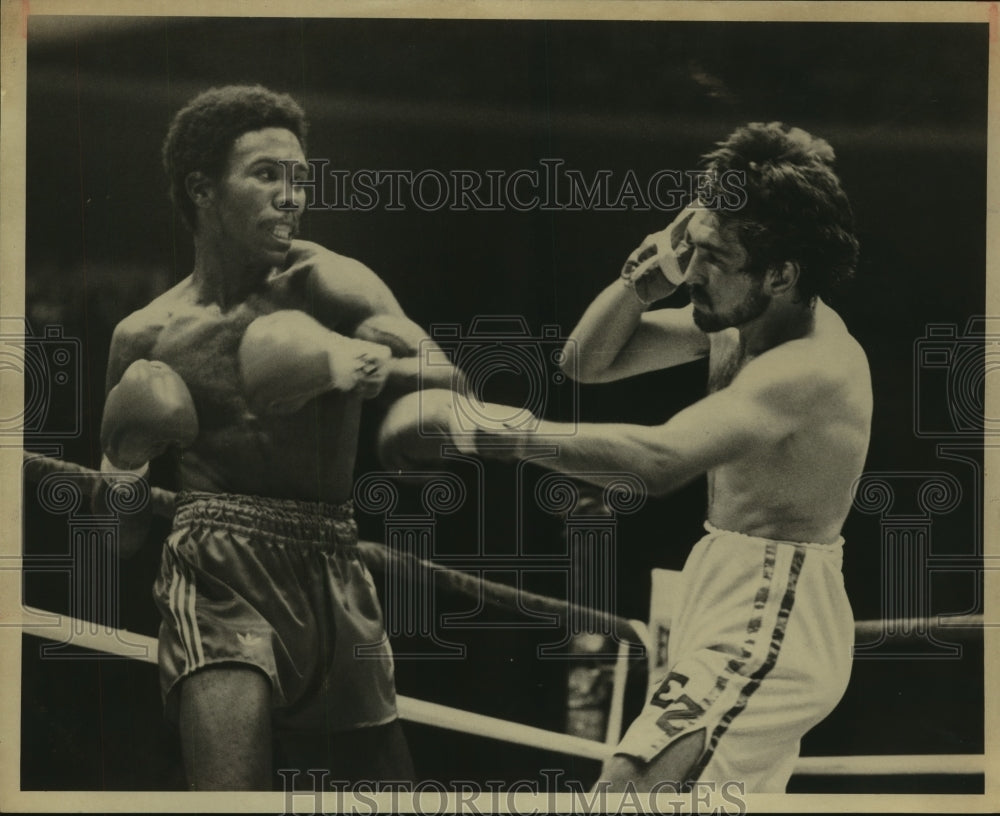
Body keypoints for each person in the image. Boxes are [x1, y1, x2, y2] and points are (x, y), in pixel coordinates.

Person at [378, 122, 871, 792]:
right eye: (691, 247)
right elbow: (586, 362)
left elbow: (659, 459)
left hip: (773, 608)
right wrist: (643, 280)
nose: (693, 272)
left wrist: (485, 429)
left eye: (715, 259)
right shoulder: (736, 325)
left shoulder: (812, 365)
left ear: (782, 274)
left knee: (623, 792)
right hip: (723, 585)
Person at [96, 85, 459, 790]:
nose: (291, 197)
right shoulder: (145, 335)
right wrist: (126, 460)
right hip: (214, 572)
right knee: (233, 798)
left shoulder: (330, 283)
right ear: (203, 189)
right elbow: (115, 538)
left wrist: (345, 362)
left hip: (333, 564)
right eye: (267, 175)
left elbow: (453, 386)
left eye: (299, 179)